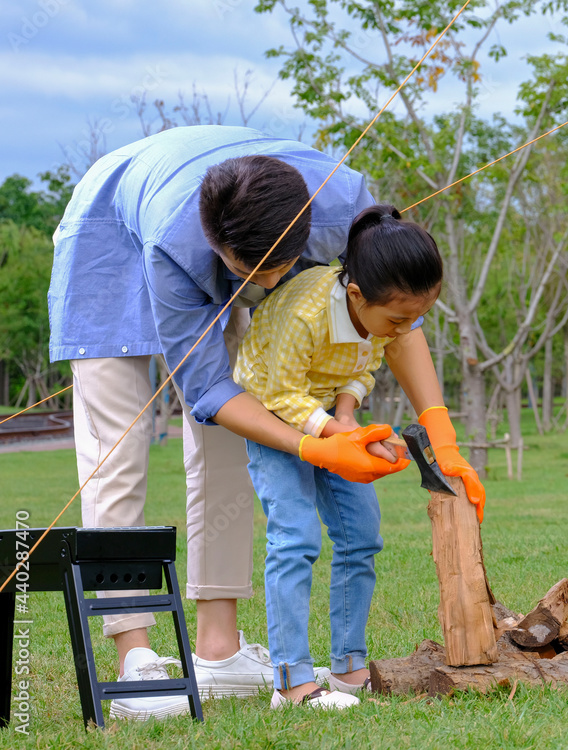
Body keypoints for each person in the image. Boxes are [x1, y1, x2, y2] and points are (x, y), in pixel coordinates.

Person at [47, 126, 448, 719]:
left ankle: (218, 650)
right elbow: (207, 387)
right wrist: (315, 449)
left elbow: (398, 314)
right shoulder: (176, 247)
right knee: (119, 450)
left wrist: (441, 434)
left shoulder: (347, 208)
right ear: (216, 247)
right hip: (111, 233)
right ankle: (137, 659)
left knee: (224, 449)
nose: (265, 283)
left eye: (279, 267)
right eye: (248, 271)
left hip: (227, 205)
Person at [234, 204, 482, 710]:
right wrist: (330, 435)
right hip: (271, 416)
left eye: (417, 318)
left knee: (361, 536)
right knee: (295, 538)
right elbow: (280, 392)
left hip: (328, 415)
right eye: (398, 318)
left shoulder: (379, 321)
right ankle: (292, 680)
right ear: (355, 294)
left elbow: (361, 367)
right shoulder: (307, 310)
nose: (404, 329)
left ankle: (348, 666)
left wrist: (346, 417)